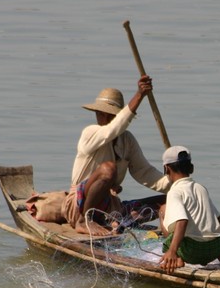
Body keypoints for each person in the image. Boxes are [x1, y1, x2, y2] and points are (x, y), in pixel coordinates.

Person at [61, 75, 171, 233]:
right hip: (78, 206)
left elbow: (144, 172)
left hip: (110, 208)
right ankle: (85, 221)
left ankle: (171, 236)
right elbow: (112, 130)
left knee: (169, 200)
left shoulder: (127, 140)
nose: (104, 117)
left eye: (109, 114)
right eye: (100, 113)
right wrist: (139, 95)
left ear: (116, 116)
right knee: (108, 169)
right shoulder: (90, 133)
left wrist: (177, 184)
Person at [158, 146, 220, 273]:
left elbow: (182, 221)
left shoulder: (175, 192)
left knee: (163, 209)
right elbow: (218, 218)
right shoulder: (200, 188)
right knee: (214, 239)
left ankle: (178, 258)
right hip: (215, 248)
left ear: (166, 168)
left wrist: (172, 251)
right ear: (191, 167)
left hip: (192, 252)